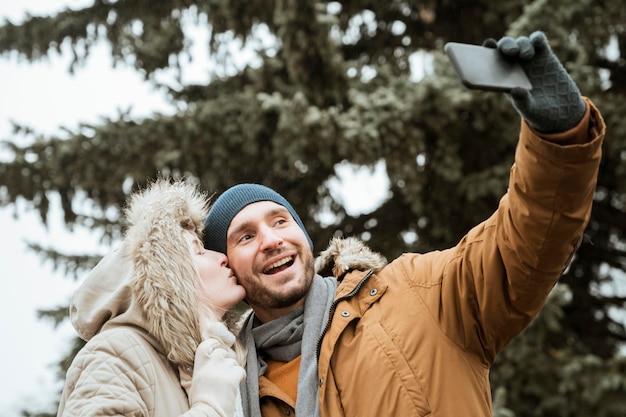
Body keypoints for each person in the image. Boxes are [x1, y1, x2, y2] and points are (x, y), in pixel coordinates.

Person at [202, 31, 606, 417]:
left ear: (303, 236)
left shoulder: (416, 295)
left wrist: (559, 141)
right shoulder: (221, 386)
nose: (272, 240)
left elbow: (520, 248)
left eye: (280, 221)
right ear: (228, 267)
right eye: (246, 236)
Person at [57, 179, 247, 417]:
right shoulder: (118, 351)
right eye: (199, 251)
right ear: (168, 277)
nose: (221, 257)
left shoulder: (211, 359)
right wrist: (209, 408)